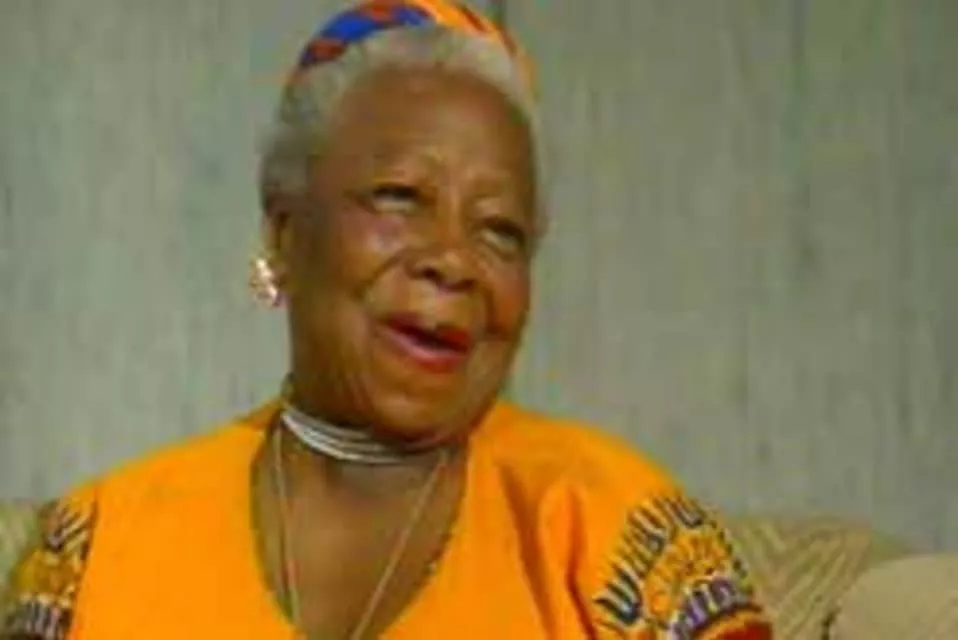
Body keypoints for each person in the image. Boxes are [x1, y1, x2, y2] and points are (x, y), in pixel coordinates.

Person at [1, 1, 772, 638]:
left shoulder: (614, 532)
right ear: (284, 232)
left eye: (500, 230)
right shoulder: (99, 546)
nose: (454, 260)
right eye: (401, 197)